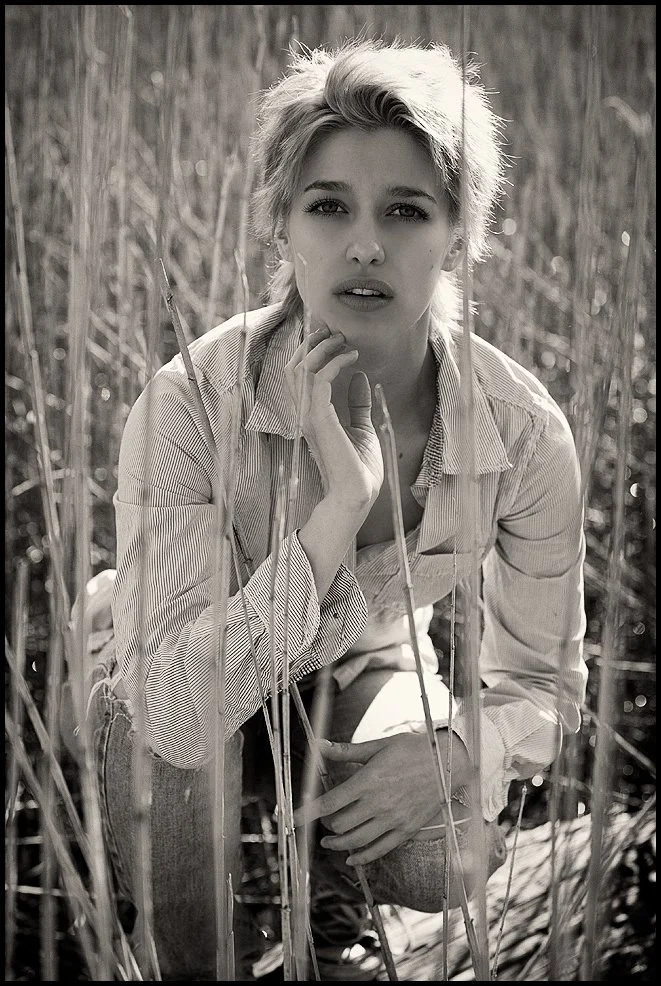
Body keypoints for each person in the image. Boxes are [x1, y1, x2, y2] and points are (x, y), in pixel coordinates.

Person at [74, 36, 588, 981]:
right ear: (282, 228)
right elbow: (177, 712)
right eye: (327, 207)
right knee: (173, 748)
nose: (364, 243)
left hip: (367, 662)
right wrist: (334, 515)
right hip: (181, 668)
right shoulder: (192, 402)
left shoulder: (521, 433)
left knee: (447, 852)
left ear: (459, 235)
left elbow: (546, 682)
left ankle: (331, 896)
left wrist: (456, 745)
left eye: (406, 210)